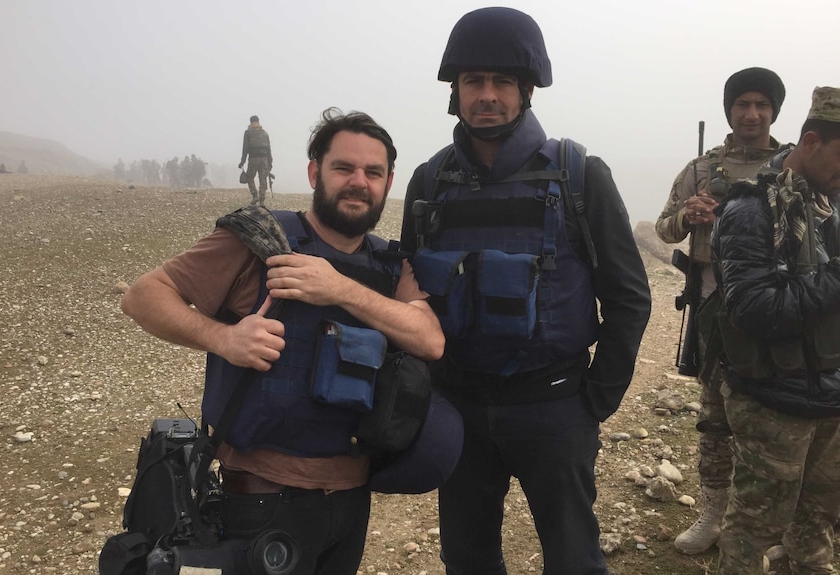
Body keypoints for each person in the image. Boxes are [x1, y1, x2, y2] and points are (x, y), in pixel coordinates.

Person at [122, 107, 445, 574]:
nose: (359, 181)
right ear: (315, 172)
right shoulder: (259, 240)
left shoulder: (390, 266)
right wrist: (225, 338)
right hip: (261, 500)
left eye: (373, 172)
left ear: (388, 183)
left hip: (351, 500)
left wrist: (340, 289)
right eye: (343, 168)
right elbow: (143, 296)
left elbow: (430, 340)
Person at [400, 8, 651, 574]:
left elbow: (629, 295)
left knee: (572, 558)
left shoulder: (579, 173)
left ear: (527, 89)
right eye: (473, 82)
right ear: (455, 90)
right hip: (458, 407)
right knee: (466, 558)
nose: (487, 95)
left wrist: (595, 400)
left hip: (555, 405)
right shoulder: (429, 181)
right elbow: (408, 292)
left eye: (502, 82)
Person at [654, 67, 787, 555]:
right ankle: (714, 511)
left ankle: (768, 523)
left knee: (774, 419)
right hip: (712, 307)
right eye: (742, 104)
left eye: (761, 105)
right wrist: (688, 215)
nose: (751, 114)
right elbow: (666, 229)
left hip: (774, 308)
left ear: (773, 111)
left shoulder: (792, 166)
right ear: (729, 110)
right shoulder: (701, 168)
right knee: (715, 416)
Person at [709, 86, 840, 574]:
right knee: (754, 528)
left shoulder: (832, 202)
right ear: (810, 142)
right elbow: (754, 309)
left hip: (831, 396)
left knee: (818, 519)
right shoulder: (752, 210)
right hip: (774, 399)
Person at [239, 115, 274, 205]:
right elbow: (268, 148)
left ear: (250, 122)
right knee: (263, 179)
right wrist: (270, 161)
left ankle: (255, 196)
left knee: (250, 177)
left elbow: (245, 148)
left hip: (253, 158)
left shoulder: (248, 133)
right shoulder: (265, 133)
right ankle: (262, 200)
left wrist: (242, 161)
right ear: (258, 122)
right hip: (264, 159)